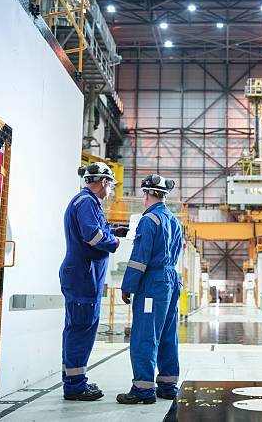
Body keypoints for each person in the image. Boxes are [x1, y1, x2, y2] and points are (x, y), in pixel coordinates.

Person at [116, 174, 183, 404]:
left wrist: (127, 286)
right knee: (167, 333)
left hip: (153, 284)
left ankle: (143, 389)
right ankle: (167, 384)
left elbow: (139, 259)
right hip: (171, 280)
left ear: (146, 194)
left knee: (145, 334)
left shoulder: (149, 220)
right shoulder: (174, 220)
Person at [60, 162, 120, 401]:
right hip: (84, 276)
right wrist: (113, 242)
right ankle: (75, 386)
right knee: (81, 330)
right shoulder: (86, 202)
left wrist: (115, 231)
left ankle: (76, 380)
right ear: (103, 182)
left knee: (79, 329)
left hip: (84, 275)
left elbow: (98, 229)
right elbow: (93, 236)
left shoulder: (86, 202)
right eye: (111, 185)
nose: (111, 191)